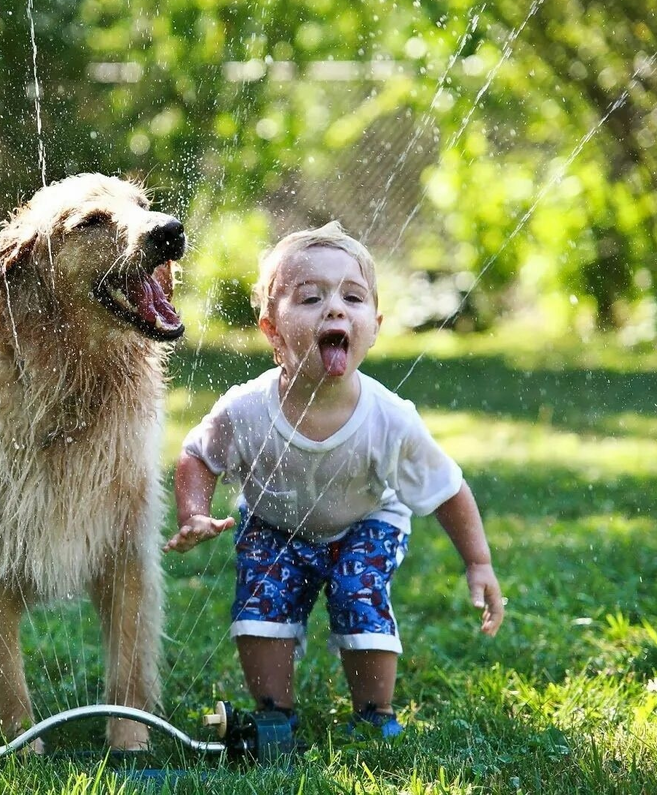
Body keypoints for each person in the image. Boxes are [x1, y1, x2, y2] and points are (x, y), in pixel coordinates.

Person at [165, 222, 504, 738]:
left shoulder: (391, 419)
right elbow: (198, 455)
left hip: (366, 521)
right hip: (274, 522)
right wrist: (193, 513)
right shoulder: (247, 408)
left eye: (353, 296)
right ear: (272, 330)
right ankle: (275, 714)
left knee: (357, 591)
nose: (335, 308)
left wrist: (478, 562)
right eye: (309, 297)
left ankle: (374, 715)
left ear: (374, 325)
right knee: (261, 602)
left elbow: (447, 488)